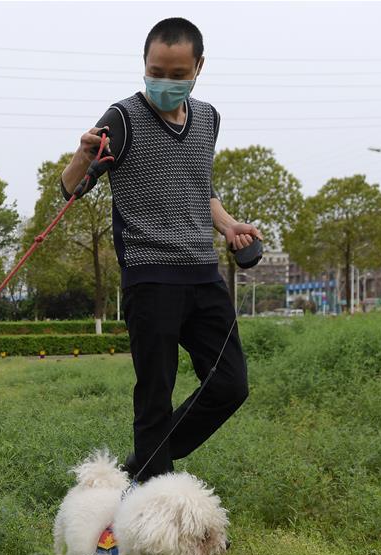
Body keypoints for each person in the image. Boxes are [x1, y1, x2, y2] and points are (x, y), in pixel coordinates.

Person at [60, 17, 261, 483]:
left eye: (177, 74)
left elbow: (199, 188)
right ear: (144, 65)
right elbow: (71, 189)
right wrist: (81, 157)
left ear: (198, 68)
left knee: (231, 384)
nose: (165, 82)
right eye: (156, 71)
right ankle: (149, 507)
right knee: (155, 395)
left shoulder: (208, 118)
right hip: (150, 279)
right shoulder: (122, 118)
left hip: (204, 274)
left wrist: (229, 226)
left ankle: (146, 463)